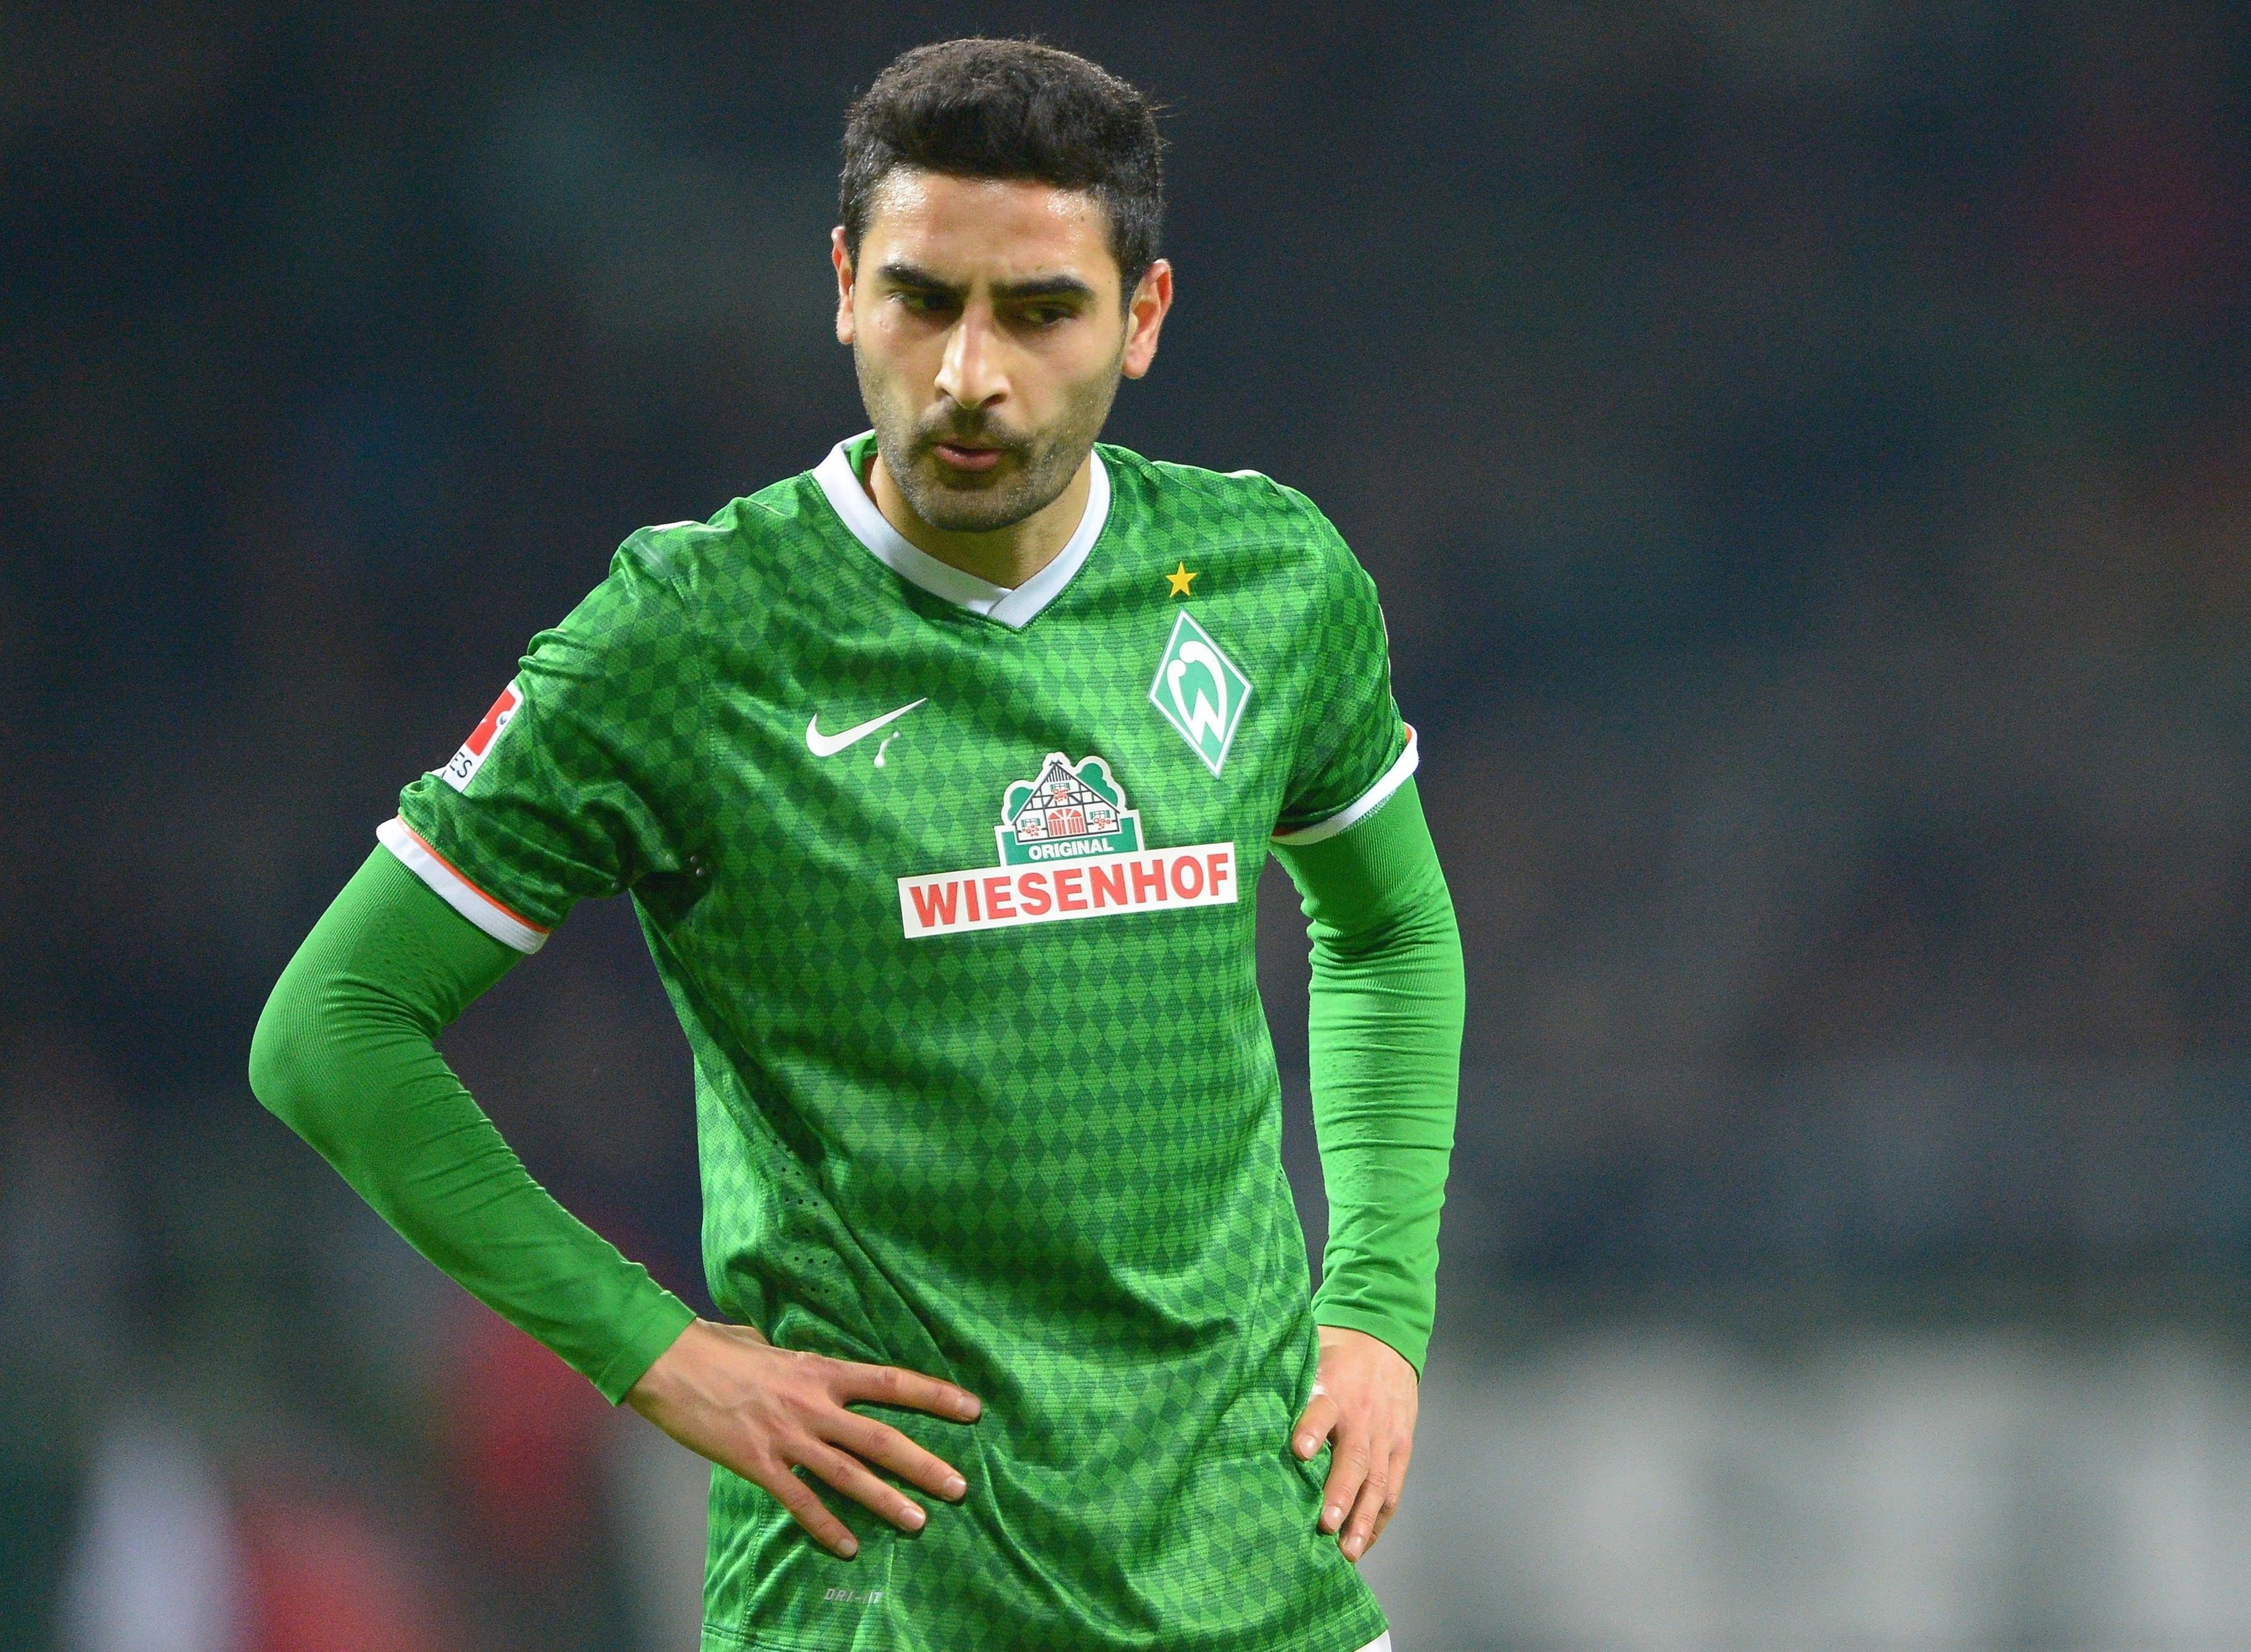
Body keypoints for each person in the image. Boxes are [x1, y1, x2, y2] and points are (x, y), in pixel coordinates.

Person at [247, 36, 1462, 1652]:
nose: (969, 374)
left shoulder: (1268, 581)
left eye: (1040, 312)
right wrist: (655, 1354)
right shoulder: (696, 632)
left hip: (1260, 1597)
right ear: (841, 287)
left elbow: (1387, 928)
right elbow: (330, 1030)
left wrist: (1376, 1305)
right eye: (921, 299)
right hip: (879, 1606)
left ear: (1144, 318)